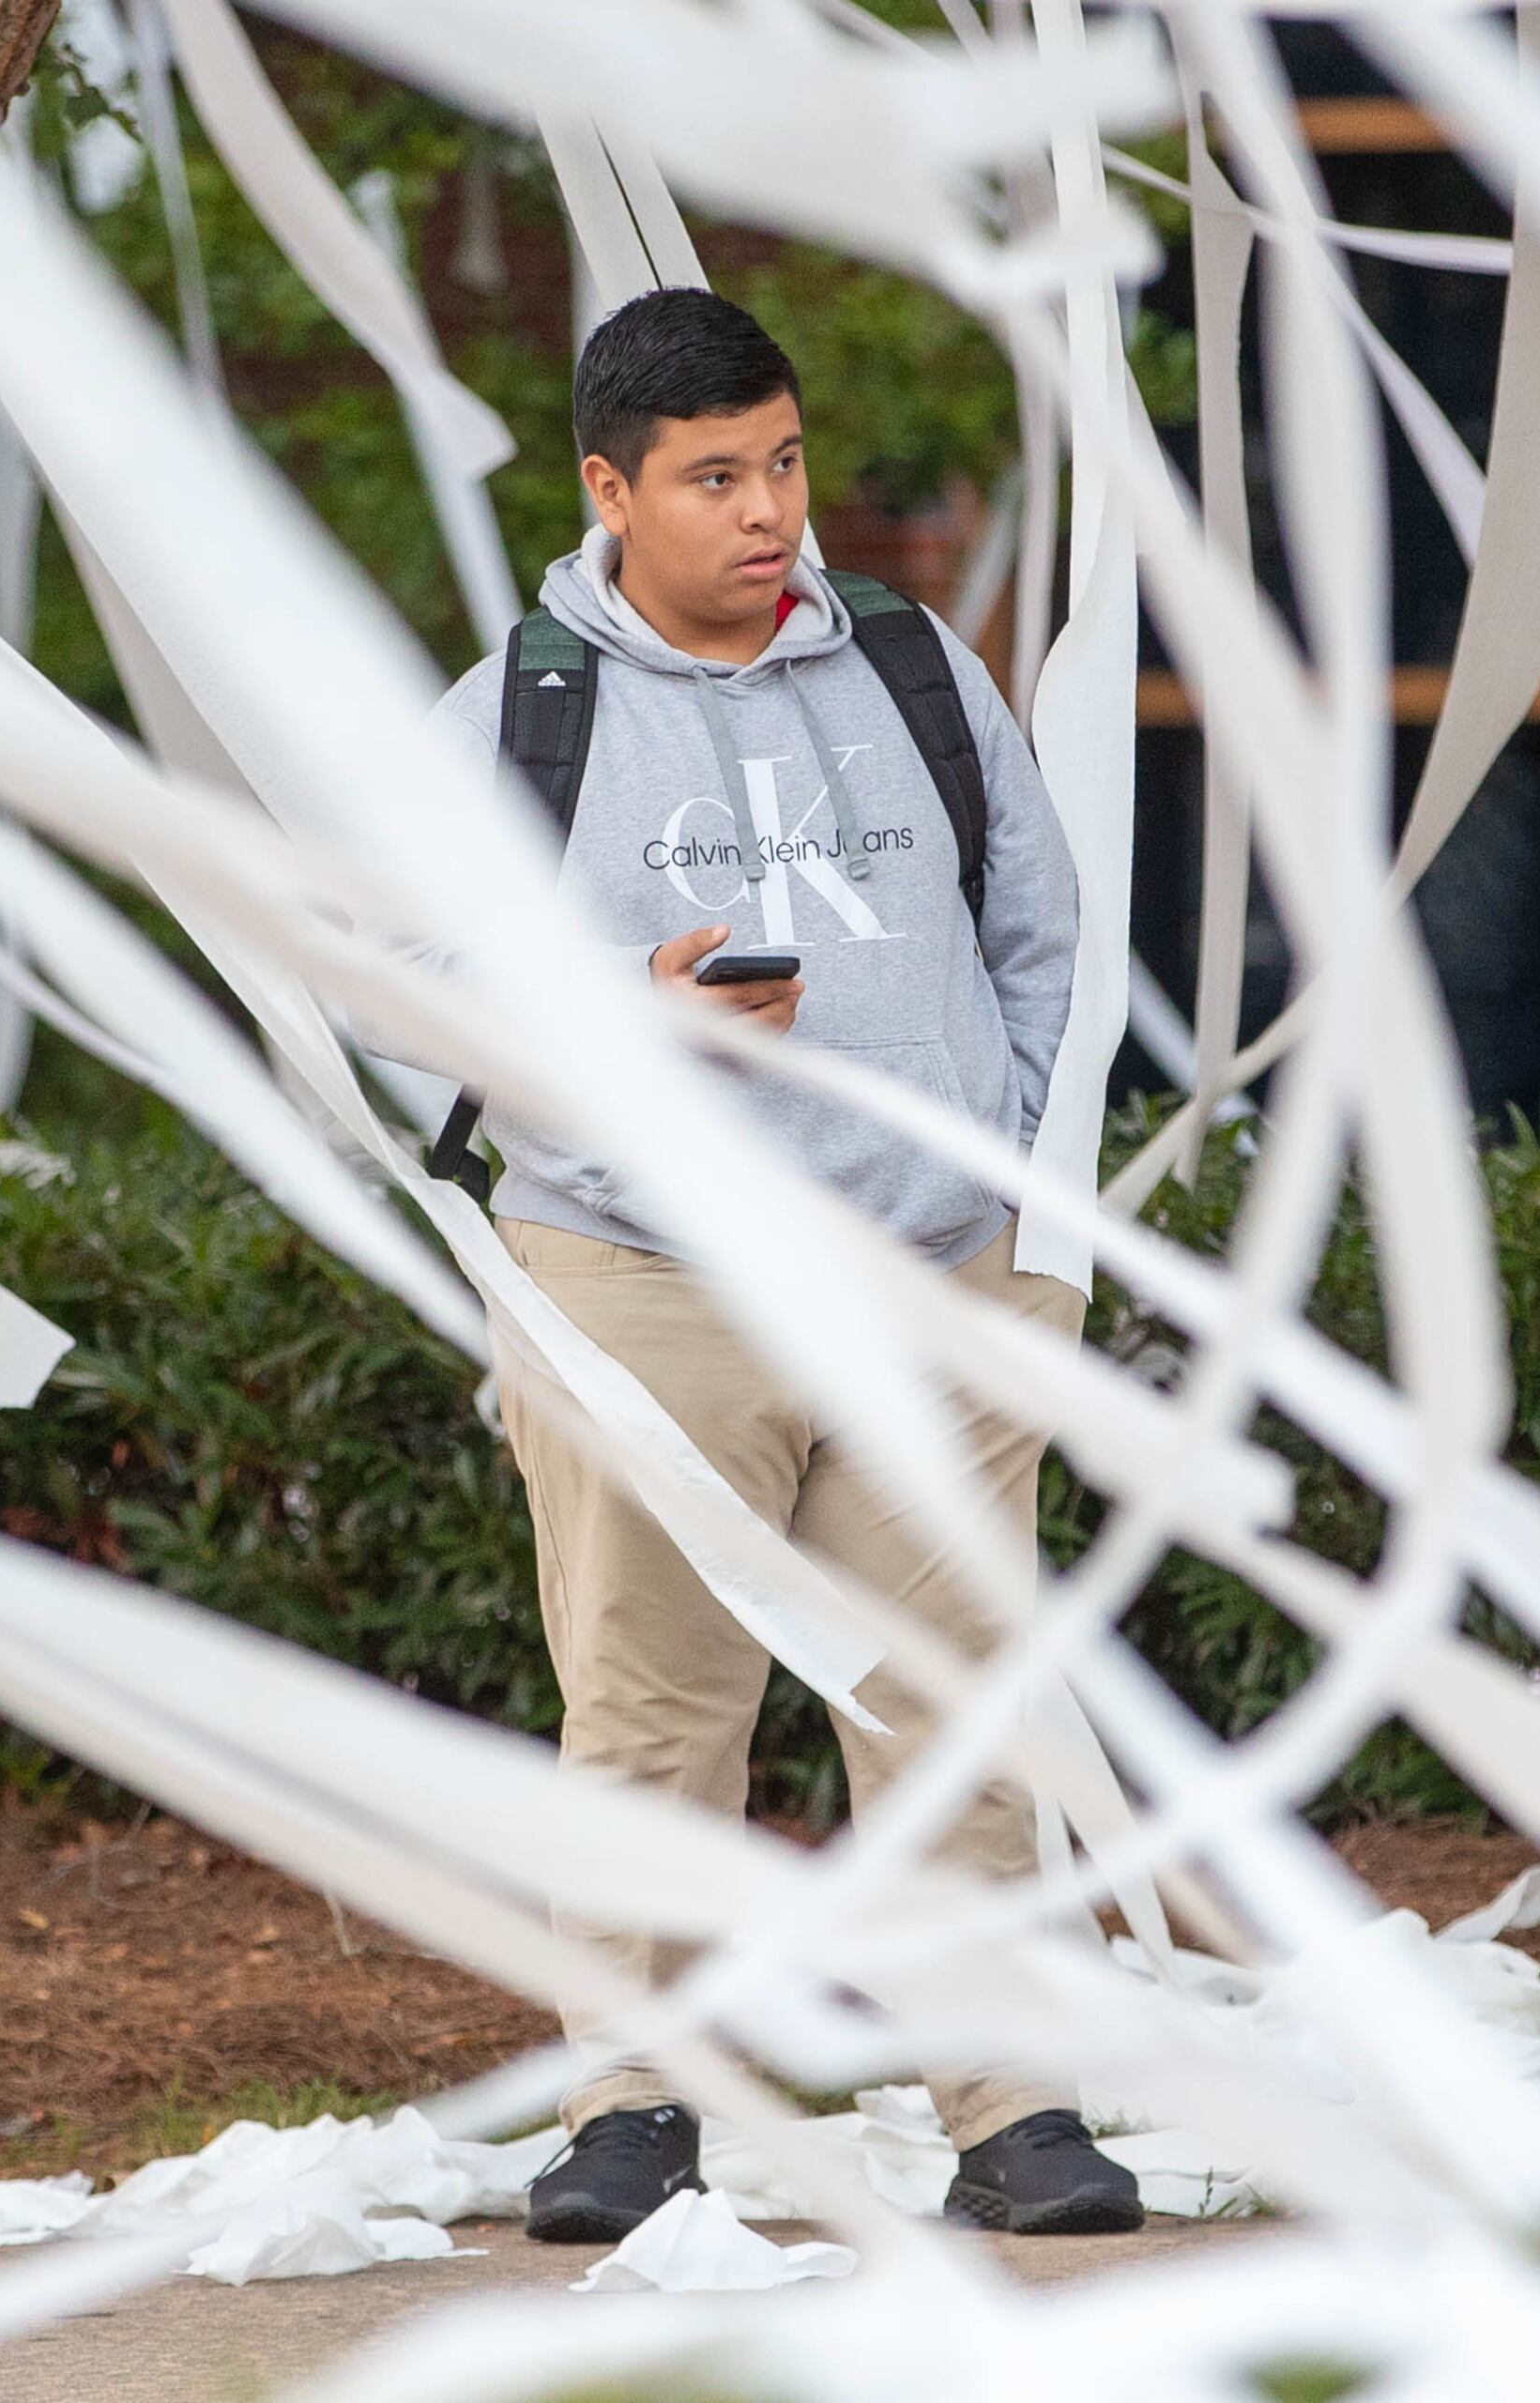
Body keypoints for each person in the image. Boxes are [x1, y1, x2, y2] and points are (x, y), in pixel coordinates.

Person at [424, 287, 1138, 2242]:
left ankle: (1011, 2103)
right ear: (608, 489)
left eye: (786, 462)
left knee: (960, 1705)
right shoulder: (515, 712)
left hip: (933, 1282)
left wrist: (1008, 1209)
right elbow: (394, 998)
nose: (769, 511)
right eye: (716, 477)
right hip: (642, 1281)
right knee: (657, 1713)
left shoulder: (914, 664)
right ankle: (641, 2106)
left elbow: (1037, 926)